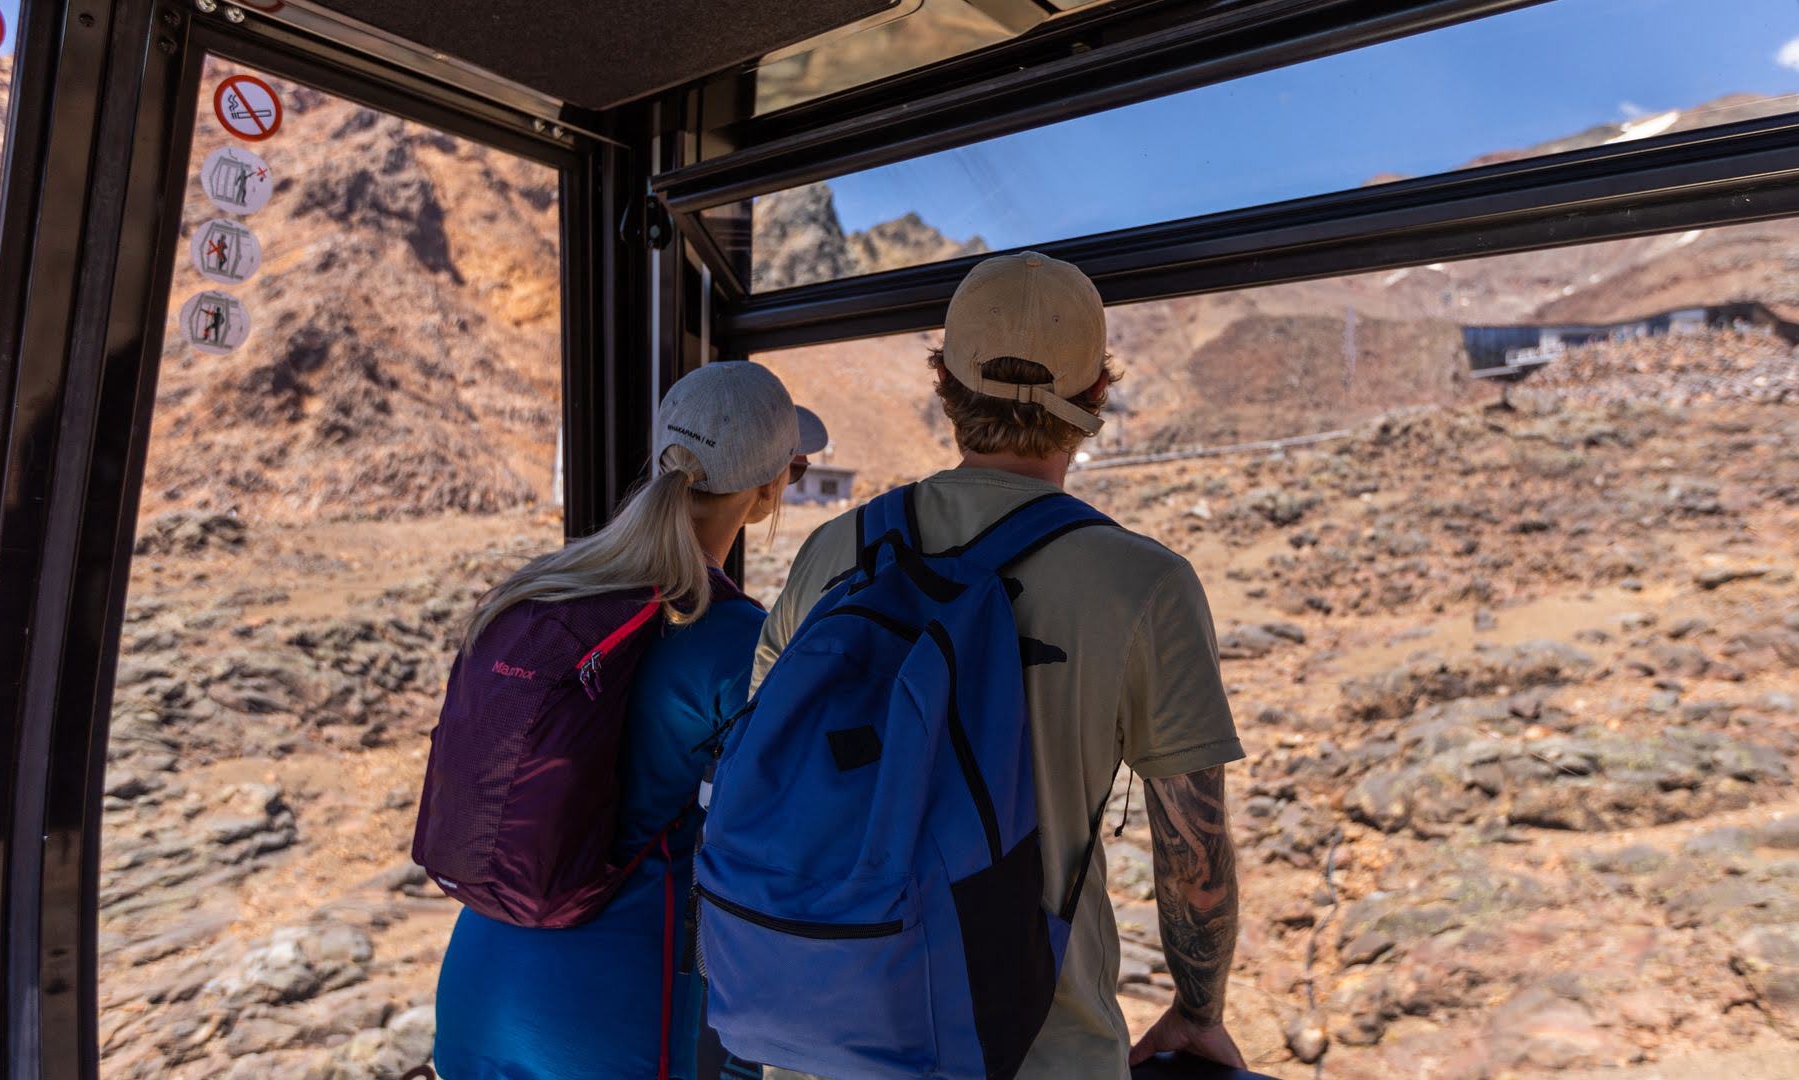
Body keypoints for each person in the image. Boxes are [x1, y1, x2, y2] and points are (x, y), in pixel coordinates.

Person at [754, 252, 1246, 1077]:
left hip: (822, 1035)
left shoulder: (836, 551)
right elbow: (1195, 858)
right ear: (1095, 396)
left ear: (945, 383)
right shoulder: (1142, 583)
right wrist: (1198, 1011)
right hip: (1032, 1051)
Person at [433, 362, 827, 1080]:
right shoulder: (736, 640)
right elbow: (788, 845)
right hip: (618, 1013)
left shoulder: (547, 589)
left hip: (476, 992)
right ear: (771, 490)